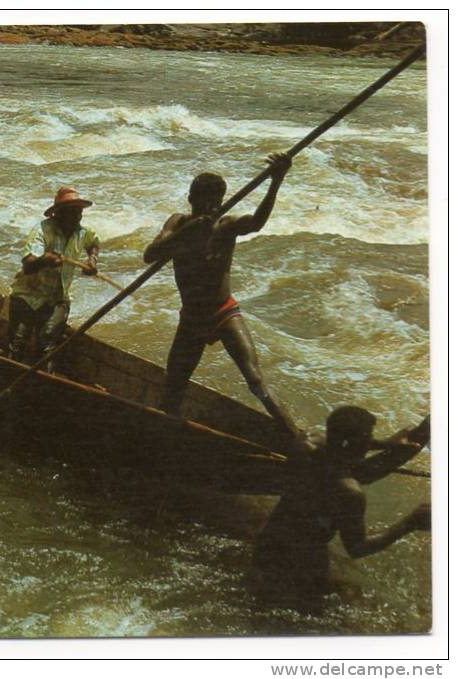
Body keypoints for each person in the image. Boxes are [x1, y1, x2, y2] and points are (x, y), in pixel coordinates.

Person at [143, 153, 297, 435]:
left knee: (255, 380)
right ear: (190, 198)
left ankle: (296, 438)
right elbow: (150, 255)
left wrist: (277, 180)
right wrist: (185, 233)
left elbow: (257, 222)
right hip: (191, 319)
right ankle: (165, 436)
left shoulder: (225, 227)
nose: (209, 208)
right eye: (203, 201)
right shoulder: (177, 223)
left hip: (223, 312)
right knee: (173, 386)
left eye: (215, 202)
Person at [254, 406, 430, 600]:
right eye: (368, 437)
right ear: (354, 443)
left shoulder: (306, 443)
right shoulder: (349, 492)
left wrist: (386, 443)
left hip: (267, 543)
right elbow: (357, 548)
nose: (369, 442)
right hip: (300, 564)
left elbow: (339, 448)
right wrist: (410, 523)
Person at [6, 187, 100, 371]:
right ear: (58, 213)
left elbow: (94, 243)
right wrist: (45, 260)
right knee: (17, 344)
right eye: (72, 212)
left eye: (79, 212)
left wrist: (92, 259)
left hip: (57, 299)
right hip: (27, 296)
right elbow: (28, 264)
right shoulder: (42, 230)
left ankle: (43, 384)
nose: (77, 217)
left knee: (47, 345)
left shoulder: (83, 233)